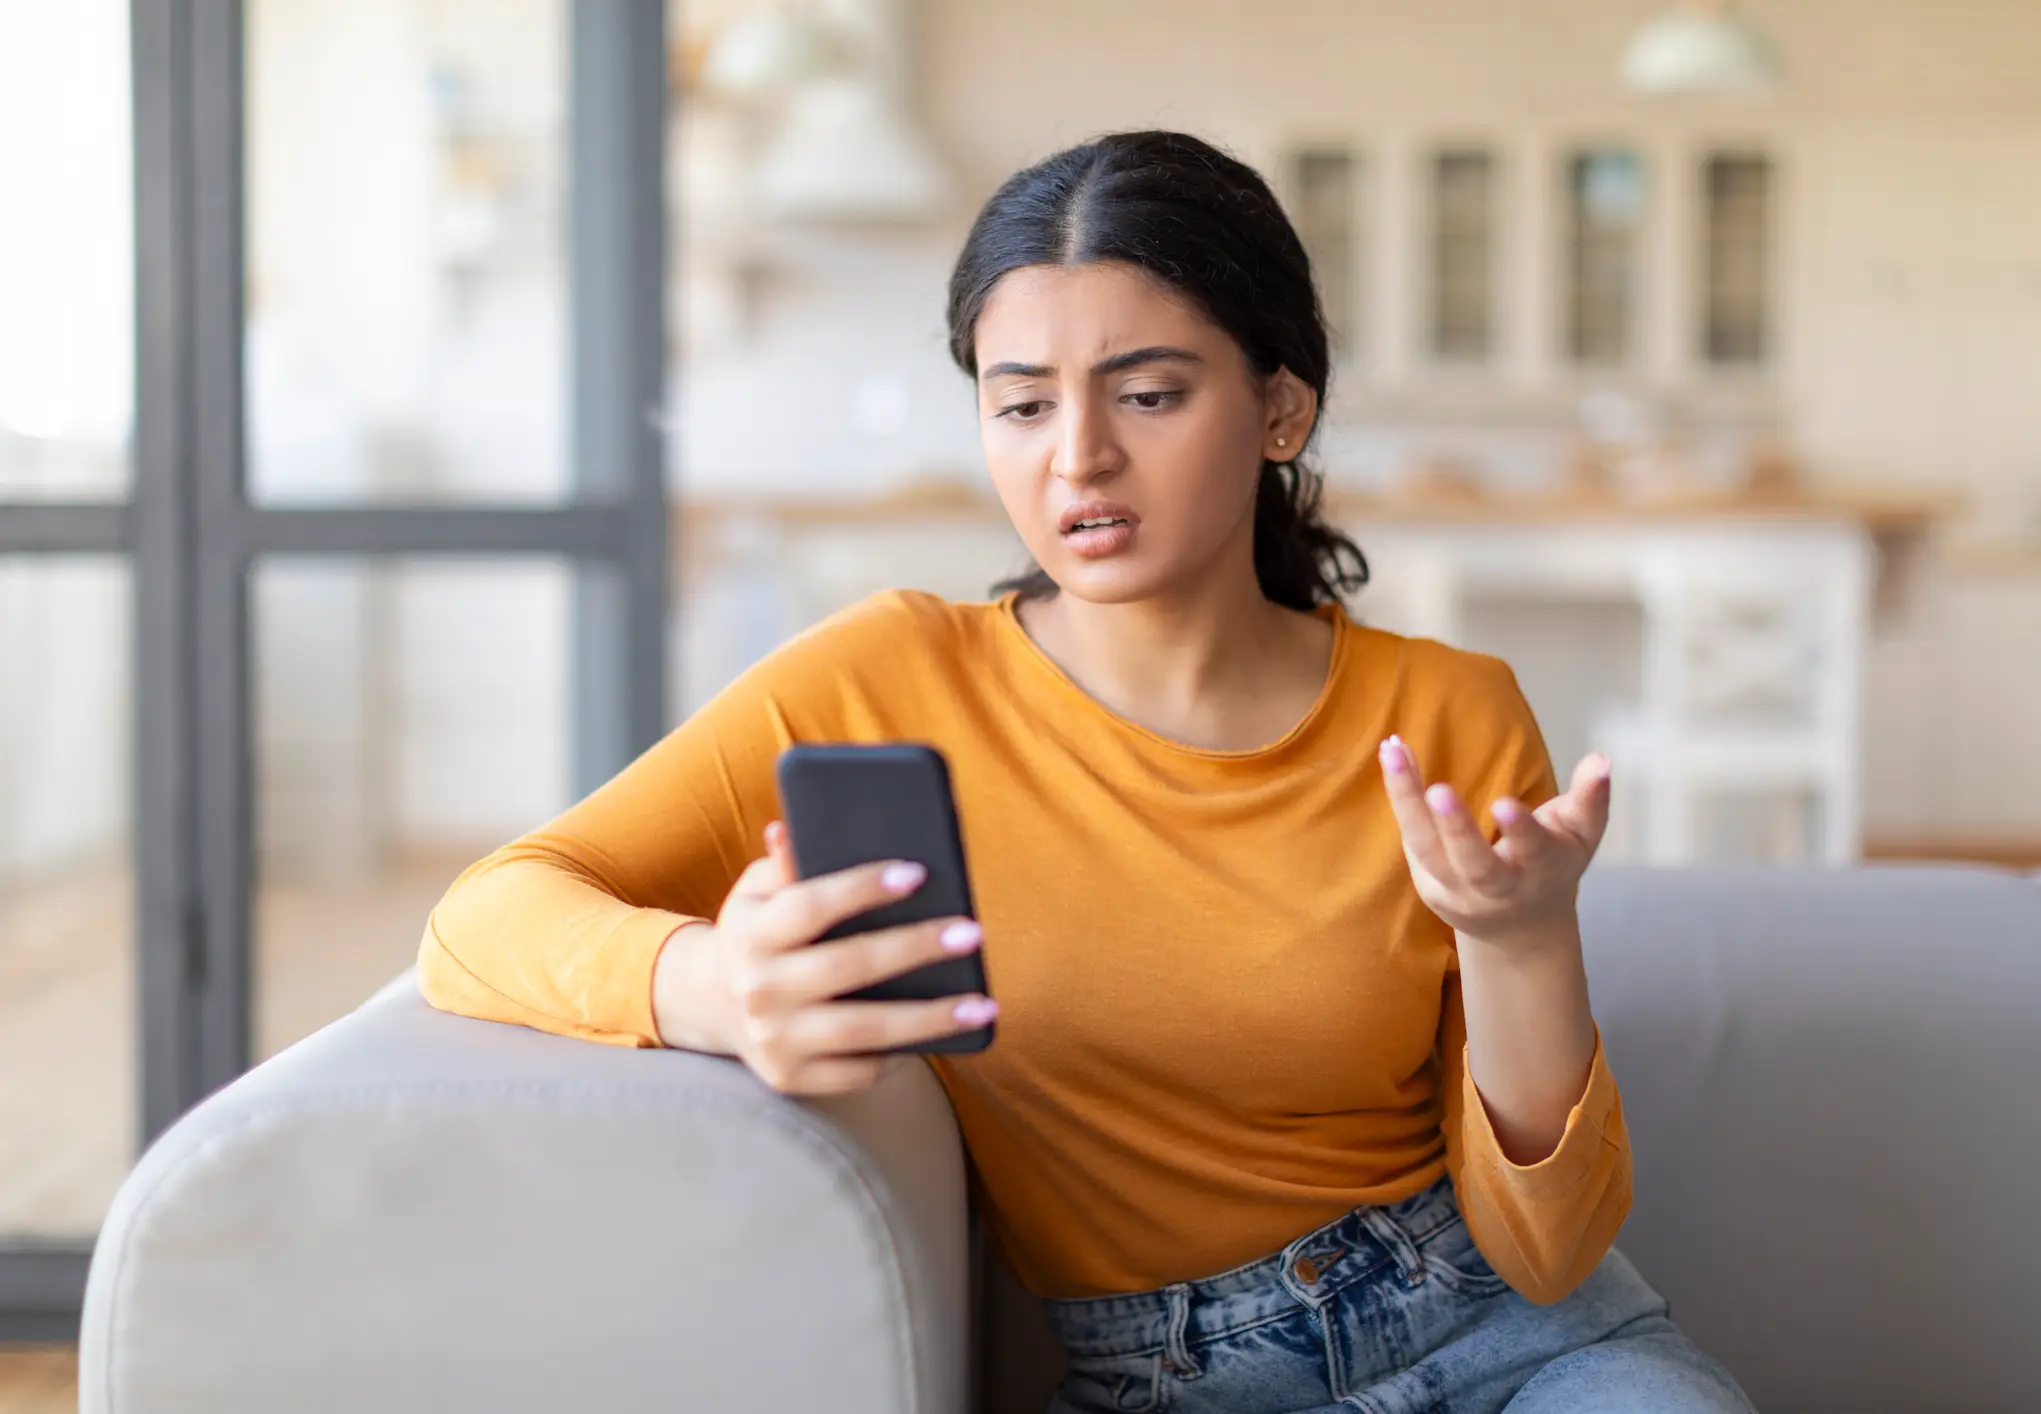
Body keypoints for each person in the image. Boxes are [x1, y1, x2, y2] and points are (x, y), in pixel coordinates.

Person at [418, 129, 1755, 1413]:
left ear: (1281, 405)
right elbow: (483, 914)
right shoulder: (883, 678)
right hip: (1168, 1379)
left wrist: (1517, 939)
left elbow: (1550, 1251)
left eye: (1149, 393)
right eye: (1021, 404)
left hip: (1518, 1343)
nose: (1078, 458)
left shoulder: (1446, 711)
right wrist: (711, 983)